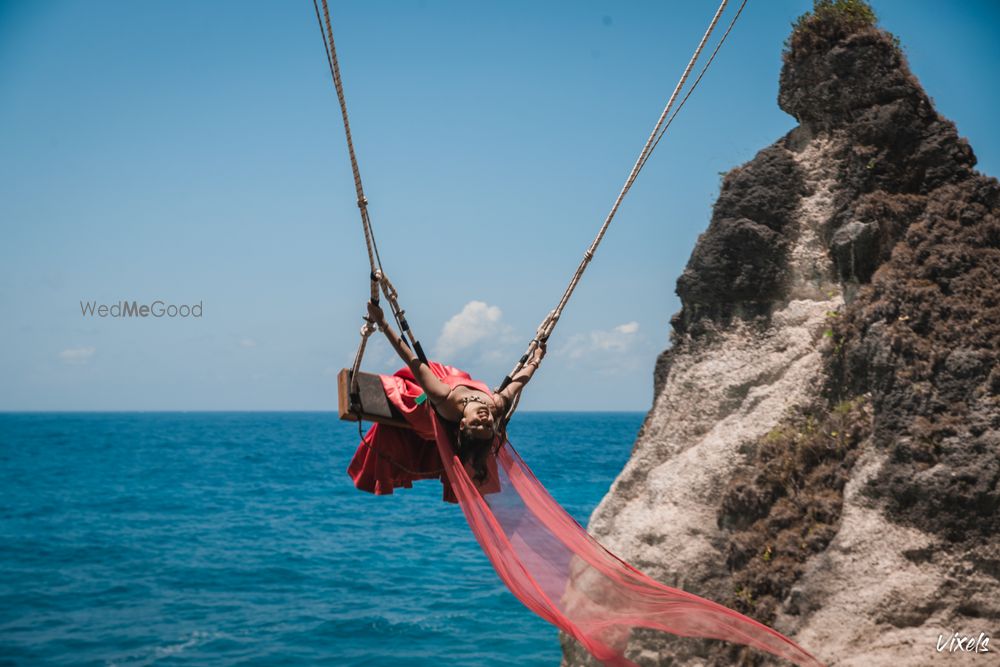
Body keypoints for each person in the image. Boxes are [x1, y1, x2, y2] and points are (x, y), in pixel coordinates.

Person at [347, 301, 544, 499]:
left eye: (477, 425)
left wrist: (383, 323)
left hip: (425, 413)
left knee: (414, 383)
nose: (484, 420)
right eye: (487, 426)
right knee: (451, 376)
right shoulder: (496, 405)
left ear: (463, 424)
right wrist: (536, 358)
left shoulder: (444, 398)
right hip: (451, 377)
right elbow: (521, 381)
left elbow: (410, 359)